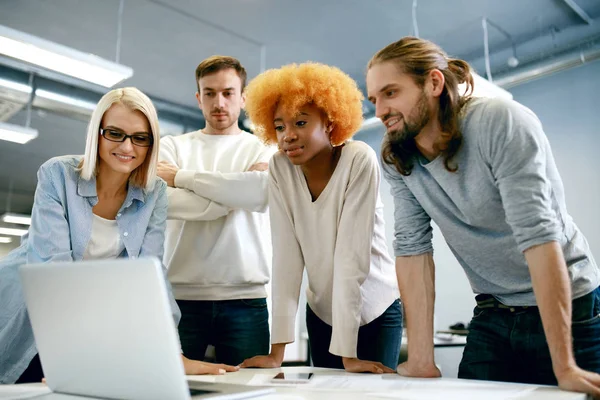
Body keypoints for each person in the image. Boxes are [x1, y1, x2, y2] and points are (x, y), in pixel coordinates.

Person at [366, 36, 600, 396]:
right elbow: (412, 250)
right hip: (493, 310)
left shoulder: (499, 121)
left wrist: (564, 366)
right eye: (374, 99)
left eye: (390, 93)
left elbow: (538, 235)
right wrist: (421, 360)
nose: (379, 110)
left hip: (572, 306)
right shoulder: (397, 156)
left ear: (433, 83)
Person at [0, 87, 236, 384]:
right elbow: (53, 273)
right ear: (96, 133)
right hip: (27, 311)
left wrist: (171, 353)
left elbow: (150, 277)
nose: (127, 147)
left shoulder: (154, 194)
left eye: (140, 138)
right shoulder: (57, 175)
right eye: (115, 133)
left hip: (86, 326)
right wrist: (74, 355)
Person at [240, 62, 402, 373]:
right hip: (322, 312)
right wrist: (277, 353)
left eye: (300, 123)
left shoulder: (358, 159)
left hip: (375, 308)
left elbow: (350, 258)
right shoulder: (279, 168)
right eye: (279, 126)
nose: (288, 136)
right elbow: (286, 259)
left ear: (329, 122)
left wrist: (348, 355)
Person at [157, 56, 273, 366]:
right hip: (181, 299)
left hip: (246, 299)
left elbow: (259, 194)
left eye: (227, 92)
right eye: (209, 93)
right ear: (198, 98)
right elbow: (164, 203)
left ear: (243, 97)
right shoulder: (171, 146)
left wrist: (181, 179)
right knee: (175, 391)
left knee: (250, 392)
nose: (218, 102)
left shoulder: (264, 147)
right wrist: (235, 193)